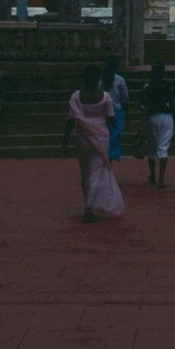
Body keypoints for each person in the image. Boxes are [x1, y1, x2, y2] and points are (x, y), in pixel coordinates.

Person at [63, 63, 124, 223]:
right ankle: (97, 204)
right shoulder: (105, 97)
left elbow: (71, 120)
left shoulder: (76, 96)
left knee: (85, 172)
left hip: (83, 136)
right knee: (98, 171)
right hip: (101, 137)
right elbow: (111, 119)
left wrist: (65, 139)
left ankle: (88, 207)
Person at [141, 62, 175, 189]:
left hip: (151, 116)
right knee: (163, 147)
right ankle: (161, 178)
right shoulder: (168, 85)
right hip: (166, 116)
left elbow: (142, 105)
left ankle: (152, 174)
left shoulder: (147, 86)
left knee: (152, 146)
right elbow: (173, 102)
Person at [101, 54, 129, 162]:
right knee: (113, 140)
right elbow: (125, 100)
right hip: (116, 112)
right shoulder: (119, 80)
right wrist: (127, 115)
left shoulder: (100, 79)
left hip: (102, 112)